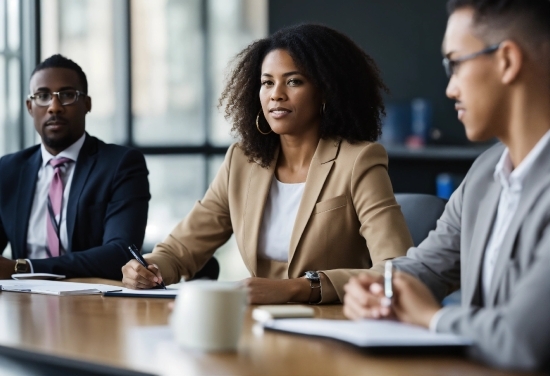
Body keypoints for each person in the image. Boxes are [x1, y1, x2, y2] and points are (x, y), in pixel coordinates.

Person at [122, 24, 413, 304]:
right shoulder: (242, 161)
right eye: (267, 82)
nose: (276, 94)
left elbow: (396, 268)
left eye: (294, 81)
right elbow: (182, 248)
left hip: (335, 325)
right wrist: (150, 267)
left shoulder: (358, 160)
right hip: (259, 326)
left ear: (325, 90)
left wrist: (300, 288)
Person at [343, 0, 550, 371]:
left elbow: (522, 342)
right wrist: (376, 287)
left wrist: (432, 318)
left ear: (507, 60)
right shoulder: (485, 172)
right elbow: (428, 267)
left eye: (455, 63)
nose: (451, 89)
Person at [0, 54, 150, 280]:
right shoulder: (9, 169)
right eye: (43, 96)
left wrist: (25, 267)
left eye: (67, 95)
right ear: (30, 107)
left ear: (87, 104)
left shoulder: (121, 164)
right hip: (22, 302)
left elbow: (121, 253)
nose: (54, 107)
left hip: (94, 305)